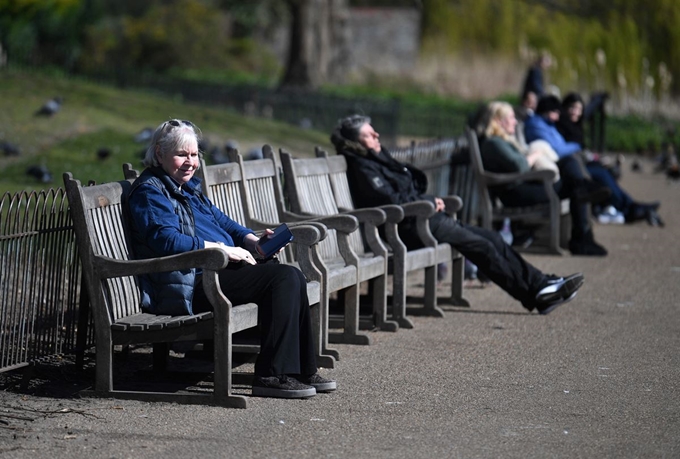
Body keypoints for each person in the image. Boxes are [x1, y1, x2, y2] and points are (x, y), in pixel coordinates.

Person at [125, 119, 335, 399]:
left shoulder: (185, 188)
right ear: (159, 153)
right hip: (191, 284)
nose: (189, 162)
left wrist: (253, 241)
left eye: (193, 154)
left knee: (289, 275)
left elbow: (224, 223)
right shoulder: (151, 191)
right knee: (282, 278)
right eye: (181, 155)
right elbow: (166, 241)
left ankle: (301, 369)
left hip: (215, 271)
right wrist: (222, 250)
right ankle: (270, 375)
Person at [331, 114, 585, 315]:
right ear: (355, 142)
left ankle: (541, 285)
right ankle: (536, 293)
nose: (376, 135)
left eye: (373, 130)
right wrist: (428, 202)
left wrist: (425, 201)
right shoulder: (363, 166)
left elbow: (403, 189)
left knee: (492, 239)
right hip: (407, 227)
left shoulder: (374, 157)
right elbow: (390, 201)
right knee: (483, 246)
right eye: (367, 134)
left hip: (422, 219)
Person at [481, 101, 609, 256]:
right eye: (511, 117)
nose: (515, 121)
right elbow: (520, 166)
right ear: (497, 121)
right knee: (574, 187)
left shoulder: (501, 141)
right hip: (516, 193)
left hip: (522, 186)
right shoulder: (494, 142)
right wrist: (536, 154)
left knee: (569, 165)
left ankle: (583, 235)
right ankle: (582, 238)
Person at [556, 92, 664, 227]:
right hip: (570, 167)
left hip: (579, 163)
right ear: (564, 107)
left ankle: (629, 205)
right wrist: (582, 151)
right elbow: (566, 150)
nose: (575, 112)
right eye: (572, 108)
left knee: (606, 171)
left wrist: (595, 158)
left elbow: (580, 151)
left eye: (579, 109)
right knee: (602, 174)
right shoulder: (560, 125)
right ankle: (629, 208)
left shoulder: (575, 127)